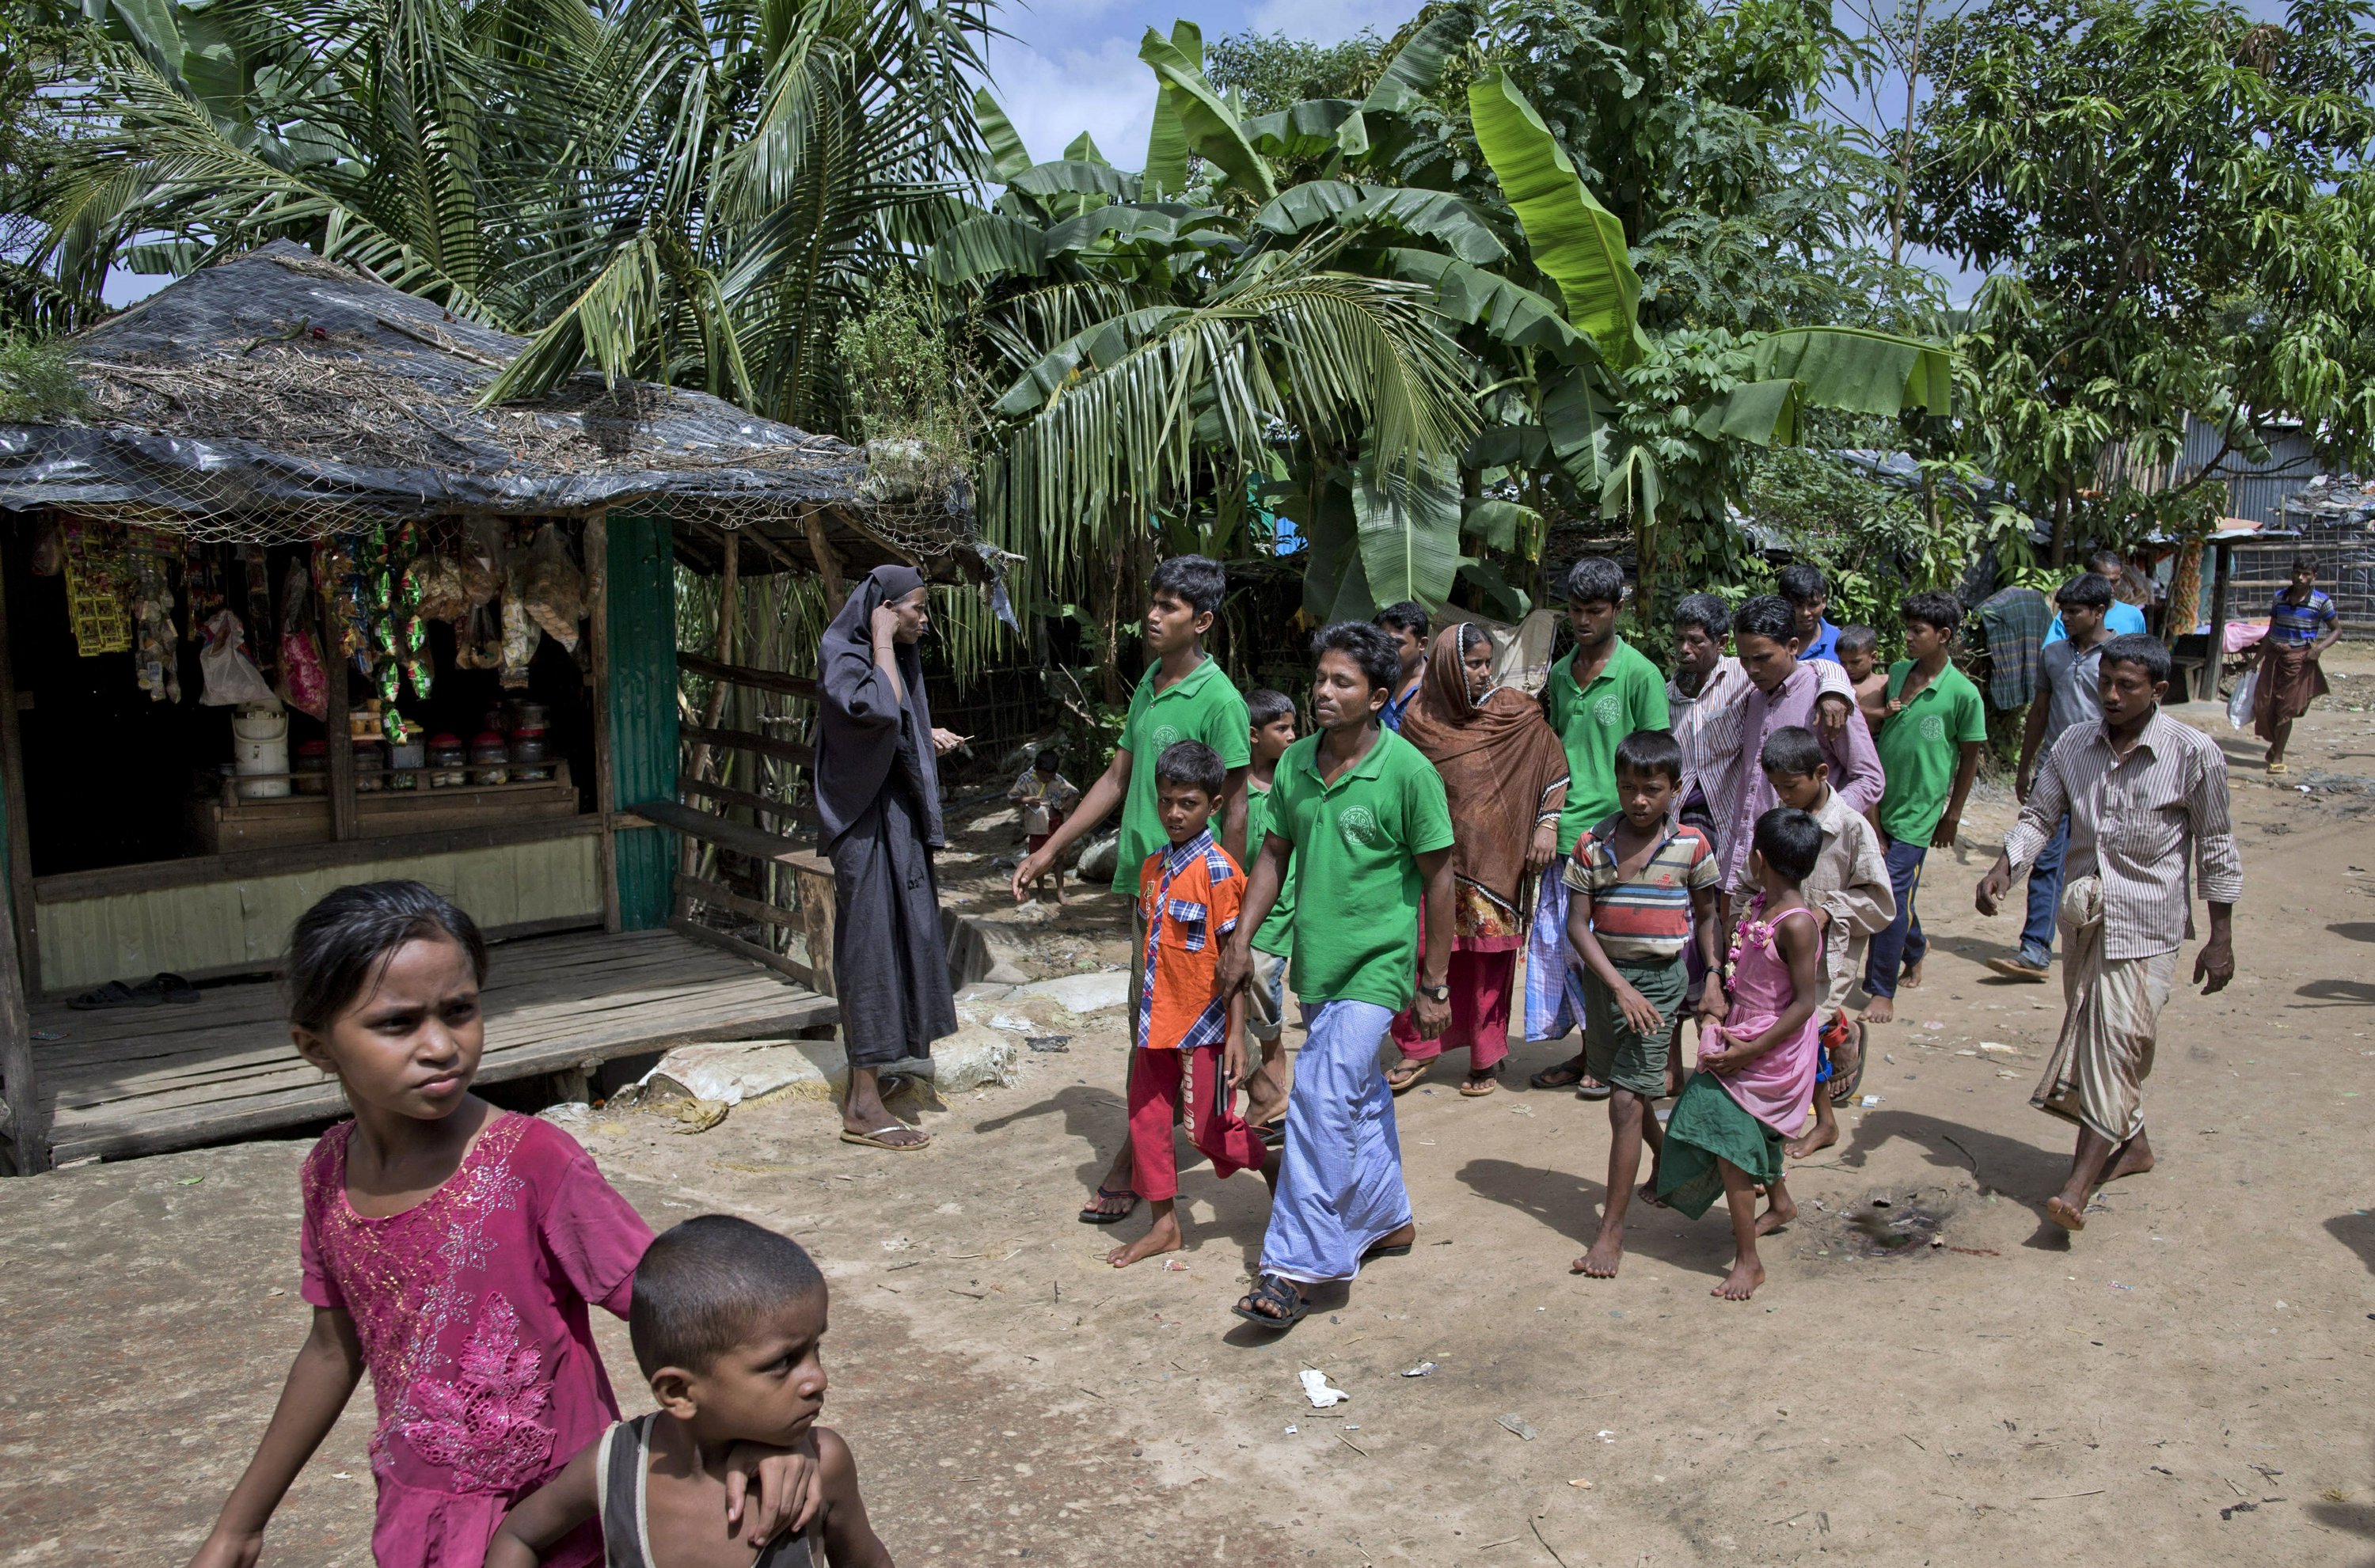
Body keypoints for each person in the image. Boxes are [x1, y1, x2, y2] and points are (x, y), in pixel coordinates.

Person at [189, 883, 808, 1568]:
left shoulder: (535, 1162)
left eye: (459, 1011)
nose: (439, 1045)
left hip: (557, 1524)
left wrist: (772, 1437)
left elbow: (689, 1314)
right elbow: (333, 1350)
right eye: (397, 1023)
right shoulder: (328, 1174)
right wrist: (239, 1525)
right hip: (419, 1516)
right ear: (317, 1045)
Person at [1218, 621, 1454, 1331]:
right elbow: (1273, 854)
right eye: (1319, 678)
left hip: (1377, 968)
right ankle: (1389, 1220)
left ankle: (1295, 1266)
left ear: (1378, 695)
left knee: (1318, 1096)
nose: (1322, 691)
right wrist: (1243, 938)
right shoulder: (1293, 766)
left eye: (1340, 681)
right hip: (1317, 968)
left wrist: (1433, 981)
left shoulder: (1409, 773)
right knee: (1356, 1098)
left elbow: (1439, 878)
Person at [1010, 556, 1251, 1223]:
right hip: (1146, 888)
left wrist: (1224, 906)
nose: (1153, 613)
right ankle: (1197, 1132)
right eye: (1153, 600)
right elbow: (1117, 780)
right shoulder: (1149, 681)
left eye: (1170, 606)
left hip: (1194, 903)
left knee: (1169, 1028)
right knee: (1152, 1023)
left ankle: (1137, 1161)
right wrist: (1051, 851)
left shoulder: (1221, 700)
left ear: (1201, 620)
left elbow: (1237, 806)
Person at [1977, 635, 2240, 1234]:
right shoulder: (2073, 744)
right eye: (2106, 683)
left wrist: (2219, 937)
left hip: (2150, 923)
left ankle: (2078, 1184)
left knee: (2118, 1042)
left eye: (2128, 686)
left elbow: (2218, 847)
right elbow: (2041, 816)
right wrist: (2004, 868)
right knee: (2103, 1041)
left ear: (2160, 691)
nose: (2113, 696)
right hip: (2086, 922)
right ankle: (2135, 1144)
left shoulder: (2193, 753)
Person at [488, 1217, 890, 1568]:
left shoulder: (823, 1463)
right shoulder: (615, 1468)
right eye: (783, 1362)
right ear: (678, 1391)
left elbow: (866, 1561)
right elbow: (518, 1537)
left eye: (814, 1350)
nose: (817, 1379)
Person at [1108, 742, 1279, 1269]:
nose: (1175, 813)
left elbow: (1237, 961)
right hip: (1155, 1023)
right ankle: (1164, 1225)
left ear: (1214, 803)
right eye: (1166, 801)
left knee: (1209, 1130)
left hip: (1204, 1026)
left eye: (1188, 803)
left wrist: (1235, 1033)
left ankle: (1277, 1169)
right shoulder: (1153, 868)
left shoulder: (1221, 872)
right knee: (1147, 1123)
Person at [815, 565, 967, 1151]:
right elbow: (875, 712)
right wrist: (881, 637)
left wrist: (924, 734)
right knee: (871, 948)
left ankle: (877, 1075)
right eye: (916, 609)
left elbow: (889, 719)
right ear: (884, 607)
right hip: (863, 822)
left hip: (892, 816)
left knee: (905, 937)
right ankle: (860, 1103)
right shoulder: (847, 650)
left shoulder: (887, 654)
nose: (923, 621)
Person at [1562, 731, 1723, 1278]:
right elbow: (1577, 926)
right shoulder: (1592, 842)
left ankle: (1611, 1230)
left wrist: (1715, 977)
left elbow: (1706, 915)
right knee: (1625, 1089)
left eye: (1651, 789)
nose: (1638, 800)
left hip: (1658, 983)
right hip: (1605, 982)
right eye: (1628, 787)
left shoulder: (1692, 846)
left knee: (1626, 1102)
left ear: (1675, 789)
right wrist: (1616, 986)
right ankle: (1664, 1158)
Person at [1385, 622, 1571, 1096]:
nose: (1484, 673)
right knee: (1425, 952)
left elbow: (1553, 764)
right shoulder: (1419, 720)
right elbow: (1403, 784)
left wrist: (1546, 826)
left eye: (1488, 662)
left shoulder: (1517, 713)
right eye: (1474, 663)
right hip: (1432, 860)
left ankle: (1486, 1056)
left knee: (1488, 960)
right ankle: (1418, 1048)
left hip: (1496, 861)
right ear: (1450, 663)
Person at [1655, 808, 1826, 1300]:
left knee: (1732, 1143)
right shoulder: (1757, 909)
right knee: (1748, 1132)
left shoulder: (1797, 925)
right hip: (1742, 1037)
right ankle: (1782, 1201)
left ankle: (1749, 1262)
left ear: (1757, 858)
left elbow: (1805, 1005)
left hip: (1772, 1051)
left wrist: (1751, 1047)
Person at [1526, 559, 1670, 1098]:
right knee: (1564, 948)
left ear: (1617, 609)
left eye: (1595, 611)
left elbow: (1657, 760)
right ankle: (1589, 1050)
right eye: (1577, 611)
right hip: (1565, 832)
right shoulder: (1560, 674)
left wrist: (1646, 832)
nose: (1584, 621)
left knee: (1611, 945)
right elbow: (1555, 754)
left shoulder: (1640, 673)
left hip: (1618, 833)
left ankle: (1609, 1056)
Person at [1758, 727, 1894, 1158]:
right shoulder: (1778, 820)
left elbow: (1880, 901)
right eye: (1776, 787)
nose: (1783, 795)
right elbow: (1752, 876)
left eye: (1791, 786)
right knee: (1796, 1036)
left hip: (1827, 960)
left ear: (1820, 773)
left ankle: (1814, 1121)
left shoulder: (1851, 827)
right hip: (1779, 954)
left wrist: (1828, 910)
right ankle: (1821, 1115)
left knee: (1804, 1030)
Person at [1863, 592, 1987, 1025]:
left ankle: (1881, 989)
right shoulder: (1896, 675)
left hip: (1921, 810)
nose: (1909, 638)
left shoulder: (1963, 694)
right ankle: (1915, 947)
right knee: (1887, 893)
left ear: (1944, 636)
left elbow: (1970, 756)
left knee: (1890, 894)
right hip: (1882, 802)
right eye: (1908, 629)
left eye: (1918, 631)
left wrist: (1952, 814)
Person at [1716, 595, 1883, 905]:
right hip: (1751, 869)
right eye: (1744, 659)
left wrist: (1816, 826)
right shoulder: (1753, 699)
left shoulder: (1826, 700)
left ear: (1793, 646)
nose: (1752, 669)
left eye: (1763, 658)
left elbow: (1869, 778)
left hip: (1805, 870)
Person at [1989, 574, 2115, 981]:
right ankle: (2035, 948)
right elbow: (2040, 713)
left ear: (2099, 612)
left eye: (2074, 611)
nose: (2065, 618)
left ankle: (2102, 944)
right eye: (2062, 610)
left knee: (2101, 863)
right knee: (2046, 858)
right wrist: (2027, 766)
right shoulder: (2054, 654)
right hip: (2057, 768)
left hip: (2105, 772)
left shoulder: (2119, 657)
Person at [1239, 688, 1301, 1129]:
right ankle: (1263, 1077)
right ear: (1253, 735)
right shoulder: (1234, 787)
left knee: (1261, 974)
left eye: (1293, 726)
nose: (1293, 736)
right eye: (1282, 728)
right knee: (1246, 978)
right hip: (1246, 903)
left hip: (1286, 904)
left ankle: (1274, 1057)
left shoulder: (1295, 780)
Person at [2254, 556, 2341, 776]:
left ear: (2314, 577)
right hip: (2275, 658)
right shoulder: (2279, 598)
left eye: (2306, 574)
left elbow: (2337, 630)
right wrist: (2254, 662)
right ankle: (2275, 745)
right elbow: (2270, 632)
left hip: (2300, 660)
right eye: (2297, 572)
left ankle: (2278, 757)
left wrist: (2318, 649)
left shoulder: (2321, 602)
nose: (2300, 578)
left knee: (2287, 710)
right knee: (2266, 706)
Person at [1008, 749, 1081, 905]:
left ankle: (1060, 891)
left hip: (1056, 825)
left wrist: (1070, 801)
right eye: (1043, 776)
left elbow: (1074, 792)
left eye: (1050, 776)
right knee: (1037, 858)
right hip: (1037, 827)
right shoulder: (1025, 779)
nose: (1047, 779)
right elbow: (1012, 798)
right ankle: (1041, 891)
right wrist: (1026, 800)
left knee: (1059, 858)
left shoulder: (1058, 780)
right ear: (1036, 769)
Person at [2043, 549, 2149, 644]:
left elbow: (2139, 655)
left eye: (2115, 581)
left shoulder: (2134, 616)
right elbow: (2052, 654)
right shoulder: (2070, 615)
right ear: (2089, 577)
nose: (2110, 588)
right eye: (2103, 581)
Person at [1375, 600, 1431, 730]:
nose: (1388, 650)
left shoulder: (1437, 686)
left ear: (1422, 644)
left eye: (1398, 643)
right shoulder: (1375, 679)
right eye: (1385, 641)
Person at [1777, 564, 1843, 665]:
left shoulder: (1840, 642)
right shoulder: (1771, 640)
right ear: (1783, 602)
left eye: (1813, 605)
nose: (1805, 613)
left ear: (1824, 601)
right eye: (1798, 606)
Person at [1836, 625, 1888, 731]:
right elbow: (1847, 708)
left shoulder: (1885, 682)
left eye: (1855, 662)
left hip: (1882, 740)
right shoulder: (1841, 684)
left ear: (1873, 657)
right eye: (1843, 662)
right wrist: (1881, 712)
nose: (1848, 668)